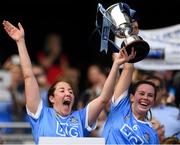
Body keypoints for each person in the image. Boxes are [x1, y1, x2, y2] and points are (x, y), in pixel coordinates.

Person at [2, 20, 135, 144]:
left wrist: (116, 65)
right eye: (62, 90)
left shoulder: (81, 118)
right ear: (52, 98)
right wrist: (20, 42)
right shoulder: (40, 114)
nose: (68, 93)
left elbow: (103, 98)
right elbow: (29, 77)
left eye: (70, 91)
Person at [102, 61, 160, 144]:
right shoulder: (120, 108)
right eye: (141, 94)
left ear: (153, 102)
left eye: (150, 95)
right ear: (132, 97)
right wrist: (130, 56)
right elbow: (128, 68)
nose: (145, 98)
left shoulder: (152, 134)